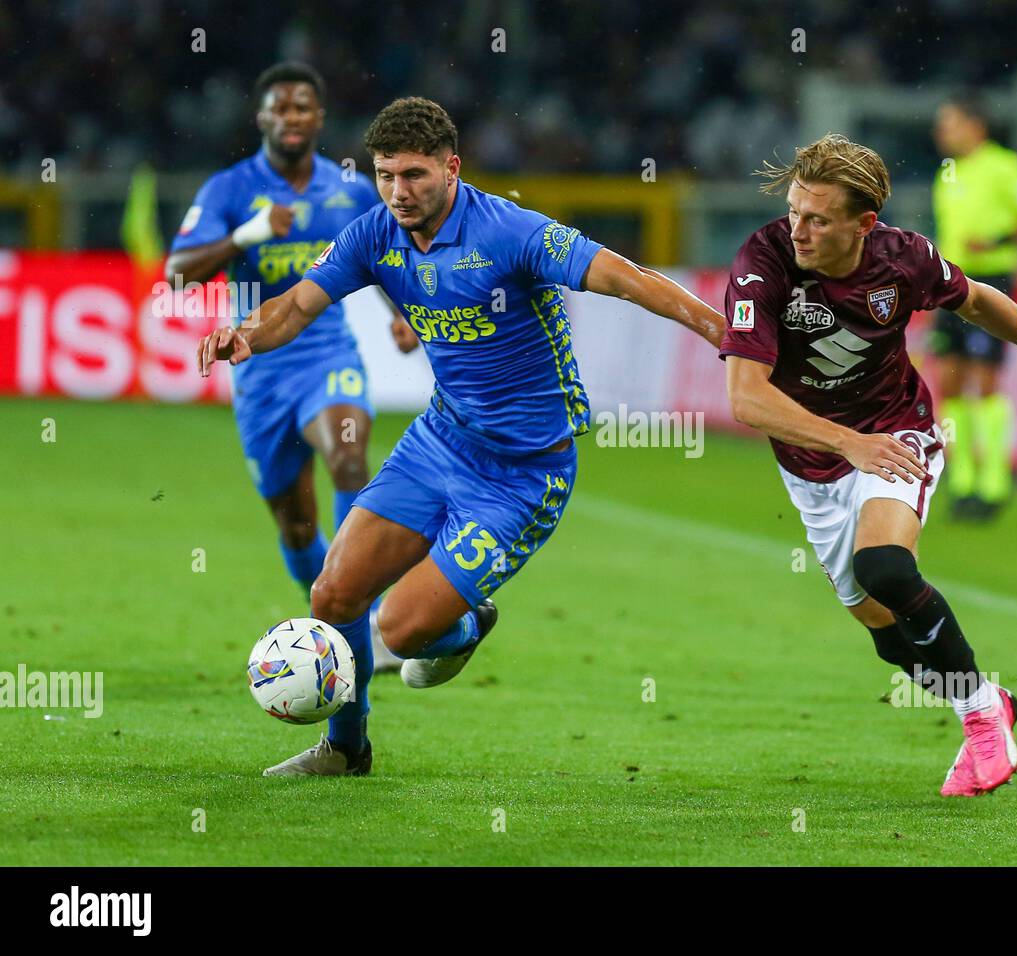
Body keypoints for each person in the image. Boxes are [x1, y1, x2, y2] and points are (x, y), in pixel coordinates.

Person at [198, 97, 724, 777]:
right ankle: (347, 749)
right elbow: (298, 303)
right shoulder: (372, 234)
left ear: (452, 168)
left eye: (414, 175)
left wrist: (722, 332)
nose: (398, 191)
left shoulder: (511, 232)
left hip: (524, 474)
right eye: (386, 175)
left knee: (401, 633)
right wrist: (248, 333)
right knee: (333, 597)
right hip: (440, 443)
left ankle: (468, 624)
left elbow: (627, 278)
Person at [721, 134, 1017, 795]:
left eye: (818, 218)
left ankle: (980, 717)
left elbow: (976, 297)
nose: (800, 229)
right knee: (885, 634)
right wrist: (843, 444)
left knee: (883, 568)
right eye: (795, 211)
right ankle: (991, 695)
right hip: (812, 464)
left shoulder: (902, 259)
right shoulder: (764, 261)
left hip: (895, 431)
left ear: (863, 224)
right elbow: (746, 397)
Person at [166, 63, 418, 656]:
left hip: (329, 353)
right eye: (280, 109)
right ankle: (336, 612)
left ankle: (370, 618)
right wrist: (244, 237)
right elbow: (176, 274)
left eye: (302, 107)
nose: (292, 118)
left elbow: (383, 254)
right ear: (262, 119)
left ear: (319, 117)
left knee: (349, 456)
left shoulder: (352, 189)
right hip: (260, 368)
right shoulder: (229, 190)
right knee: (296, 524)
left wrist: (401, 309)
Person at [930, 93, 1017, 520]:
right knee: (948, 381)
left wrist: (1000, 241)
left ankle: (994, 483)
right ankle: (962, 481)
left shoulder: (1007, 166)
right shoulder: (945, 174)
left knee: (984, 382)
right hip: (950, 284)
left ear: (976, 125)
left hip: (992, 285)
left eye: (950, 122)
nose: (942, 131)